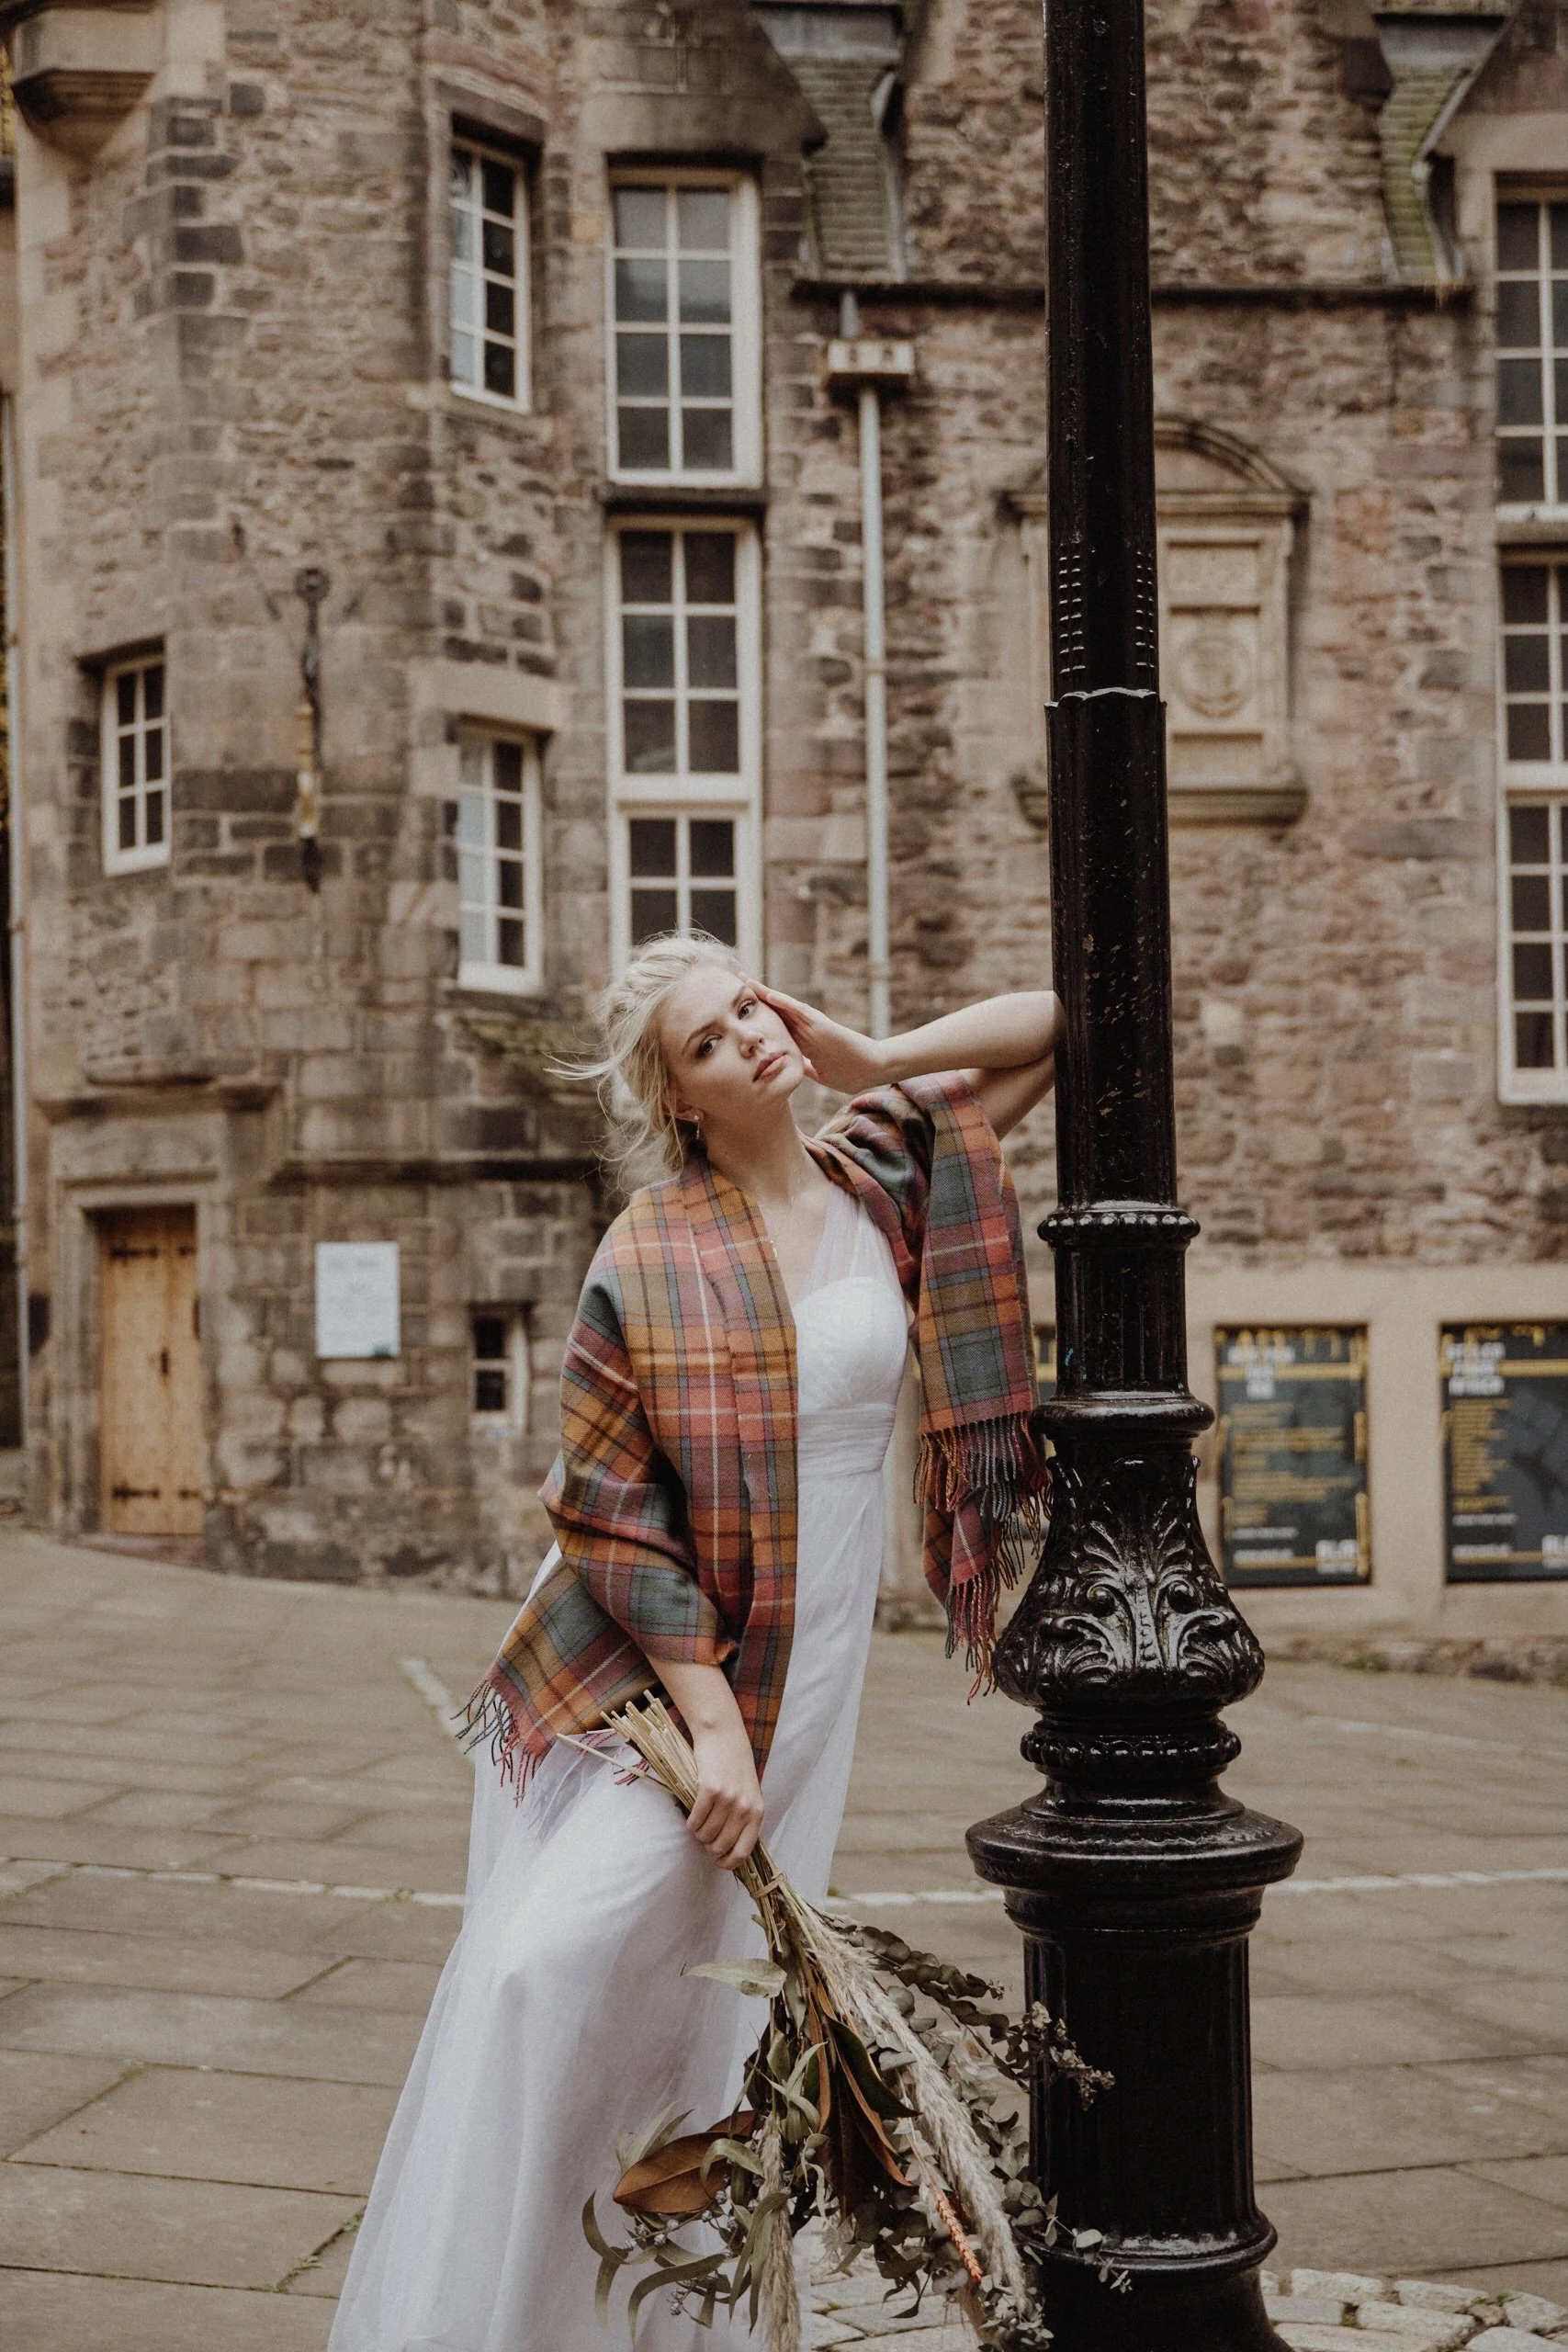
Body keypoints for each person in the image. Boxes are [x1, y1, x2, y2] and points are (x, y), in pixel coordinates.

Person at [329, 935, 1059, 2352]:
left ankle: (654, 2323)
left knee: (700, 2014)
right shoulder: (648, 1249)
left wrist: (870, 1052)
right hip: (656, 1666)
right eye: (711, 1042)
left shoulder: (883, 1168)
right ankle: (500, 2317)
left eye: (748, 1008)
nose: (749, 1042)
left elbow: (1060, 1025)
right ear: (680, 1098)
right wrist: (711, 1720)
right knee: (545, 1970)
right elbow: (605, 1503)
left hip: (819, 1648)